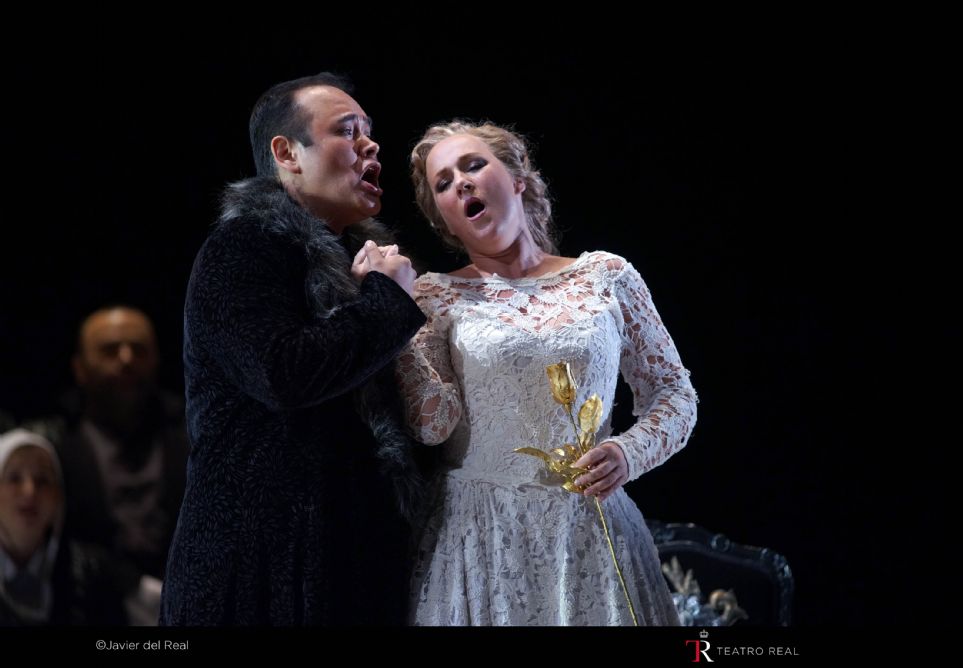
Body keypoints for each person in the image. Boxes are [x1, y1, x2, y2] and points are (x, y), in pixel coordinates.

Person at [397, 121, 698, 625]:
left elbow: (674, 392)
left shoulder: (607, 276)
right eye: (444, 183)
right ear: (444, 220)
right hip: (482, 537)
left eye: (473, 165)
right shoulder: (432, 296)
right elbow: (432, 426)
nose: (461, 183)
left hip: (591, 527)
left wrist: (629, 452)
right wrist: (397, 316)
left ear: (517, 179)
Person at [159, 73, 427, 626]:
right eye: (347, 131)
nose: (371, 145)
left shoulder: (351, 262)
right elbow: (283, 373)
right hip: (257, 570)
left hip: (339, 562)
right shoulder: (242, 246)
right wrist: (386, 299)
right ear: (286, 154)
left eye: (369, 131)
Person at [53, 306, 188, 580]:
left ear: (157, 360)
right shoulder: (53, 444)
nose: (127, 359)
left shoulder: (193, 437)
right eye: (109, 350)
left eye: (139, 350)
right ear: (79, 368)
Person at [0, 428, 132, 626]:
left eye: (43, 480)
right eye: (14, 478)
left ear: (58, 499)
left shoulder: (92, 574)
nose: (30, 491)